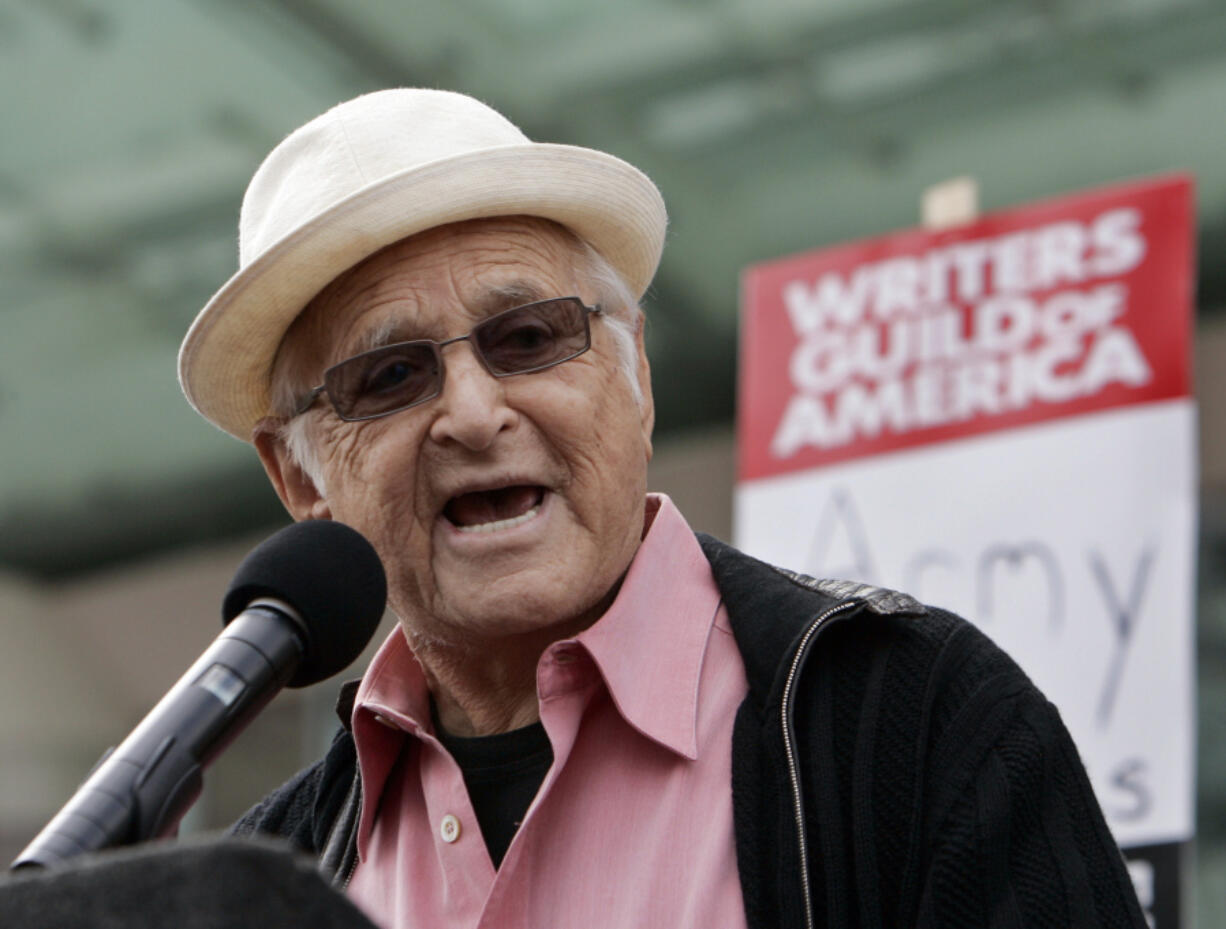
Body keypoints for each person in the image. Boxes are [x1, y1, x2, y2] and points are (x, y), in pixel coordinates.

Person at [178, 88, 1146, 928]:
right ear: (298, 475)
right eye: (388, 376)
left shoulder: (907, 717)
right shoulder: (268, 876)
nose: (471, 414)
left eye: (526, 337)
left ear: (632, 370)